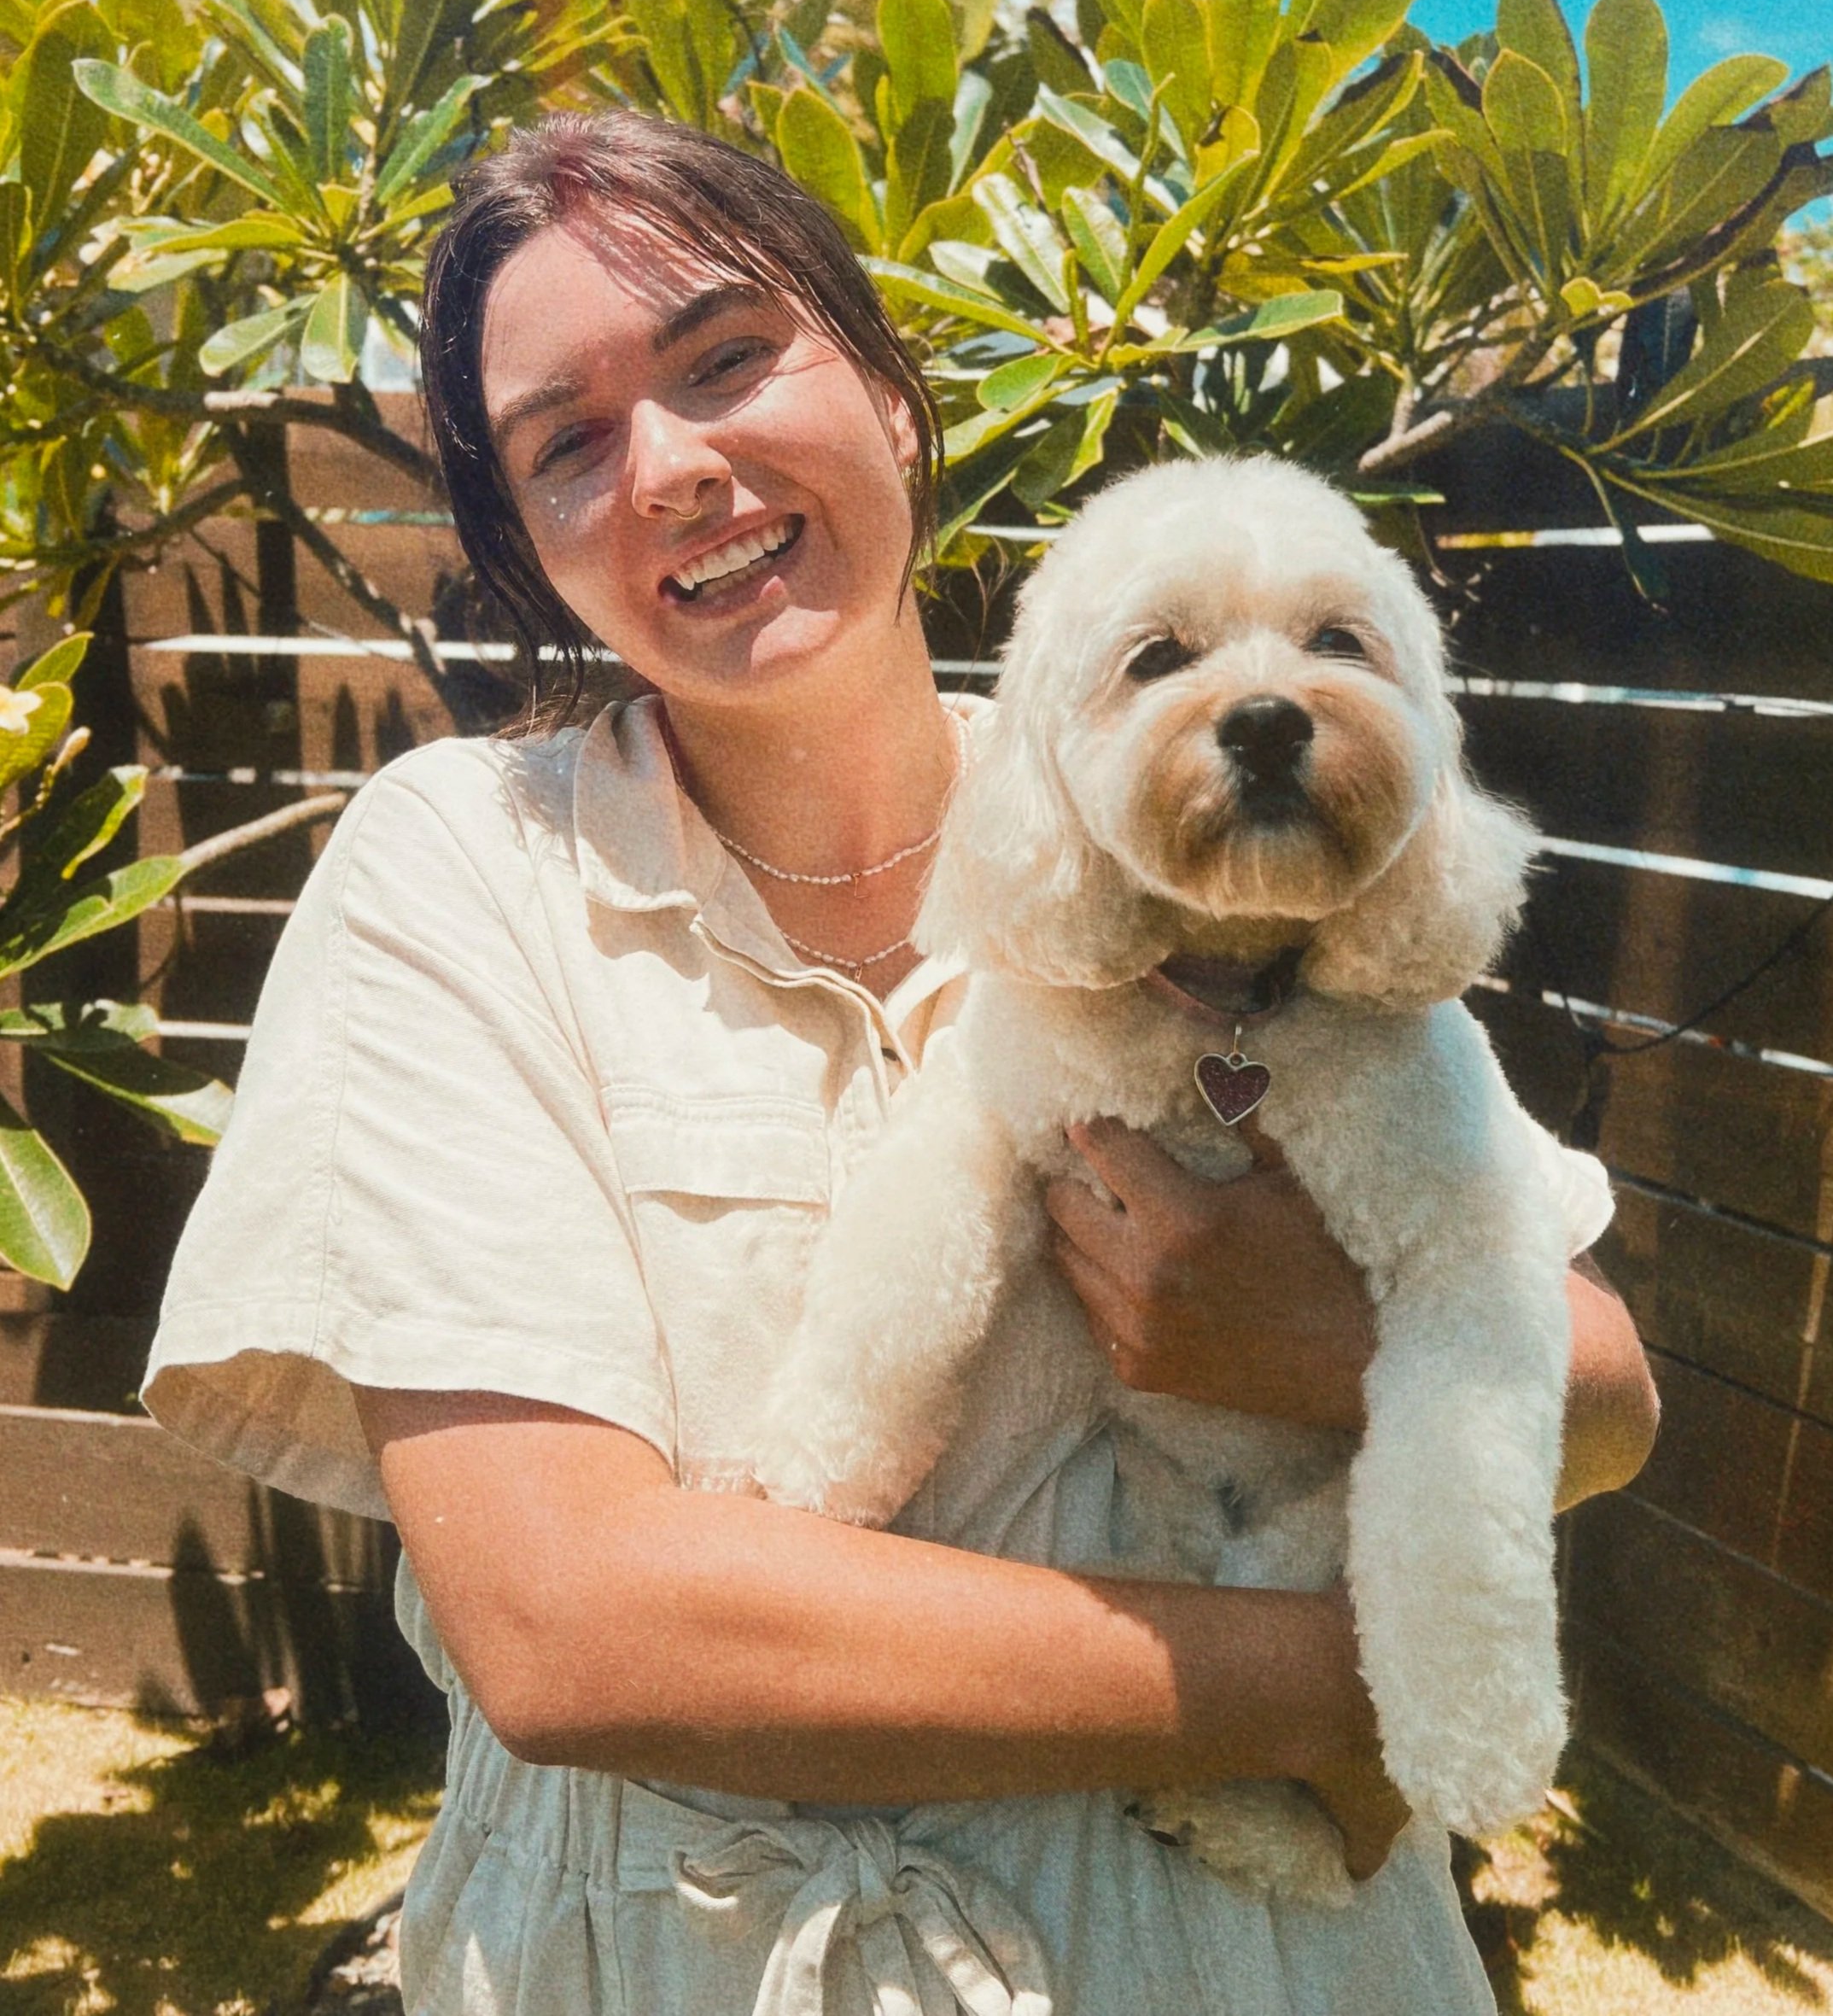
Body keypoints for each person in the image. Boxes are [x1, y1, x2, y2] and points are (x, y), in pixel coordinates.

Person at [143, 110, 1659, 2016]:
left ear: (888, 388)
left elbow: (1605, 1398)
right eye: (569, 443)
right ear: (529, 545)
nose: (677, 466)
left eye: (724, 357)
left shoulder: (1172, 804)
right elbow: (568, 1631)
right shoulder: (465, 869)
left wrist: (1320, 1335)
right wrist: (1355, 1691)